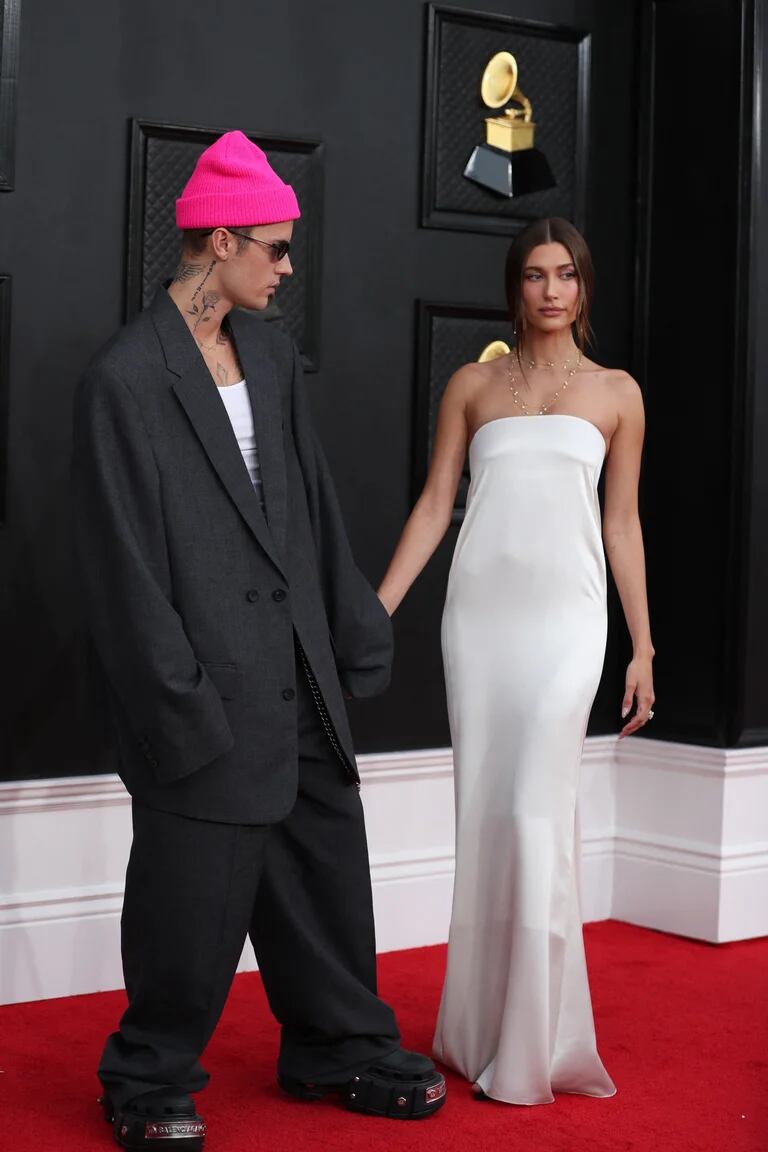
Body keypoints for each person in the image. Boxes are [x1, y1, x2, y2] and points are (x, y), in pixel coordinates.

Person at [72, 130, 445, 1151]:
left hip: (298, 676)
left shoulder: (271, 356)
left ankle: (338, 1045)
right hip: (199, 692)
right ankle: (147, 1082)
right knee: (188, 907)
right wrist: (175, 700)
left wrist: (352, 630)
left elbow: (310, 505)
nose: (287, 268)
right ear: (221, 241)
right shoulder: (125, 378)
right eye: (274, 248)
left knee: (325, 871)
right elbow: (121, 568)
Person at [377, 217, 655, 1105]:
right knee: (488, 815)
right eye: (534, 275)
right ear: (515, 286)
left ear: (584, 287)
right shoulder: (472, 383)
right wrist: (375, 611)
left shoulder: (617, 393)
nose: (549, 291)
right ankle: (476, 1029)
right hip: (480, 623)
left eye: (565, 274)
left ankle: (535, 1044)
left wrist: (642, 644)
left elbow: (622, 523)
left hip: (569, 623)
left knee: (540, 810)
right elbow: (433, 506)